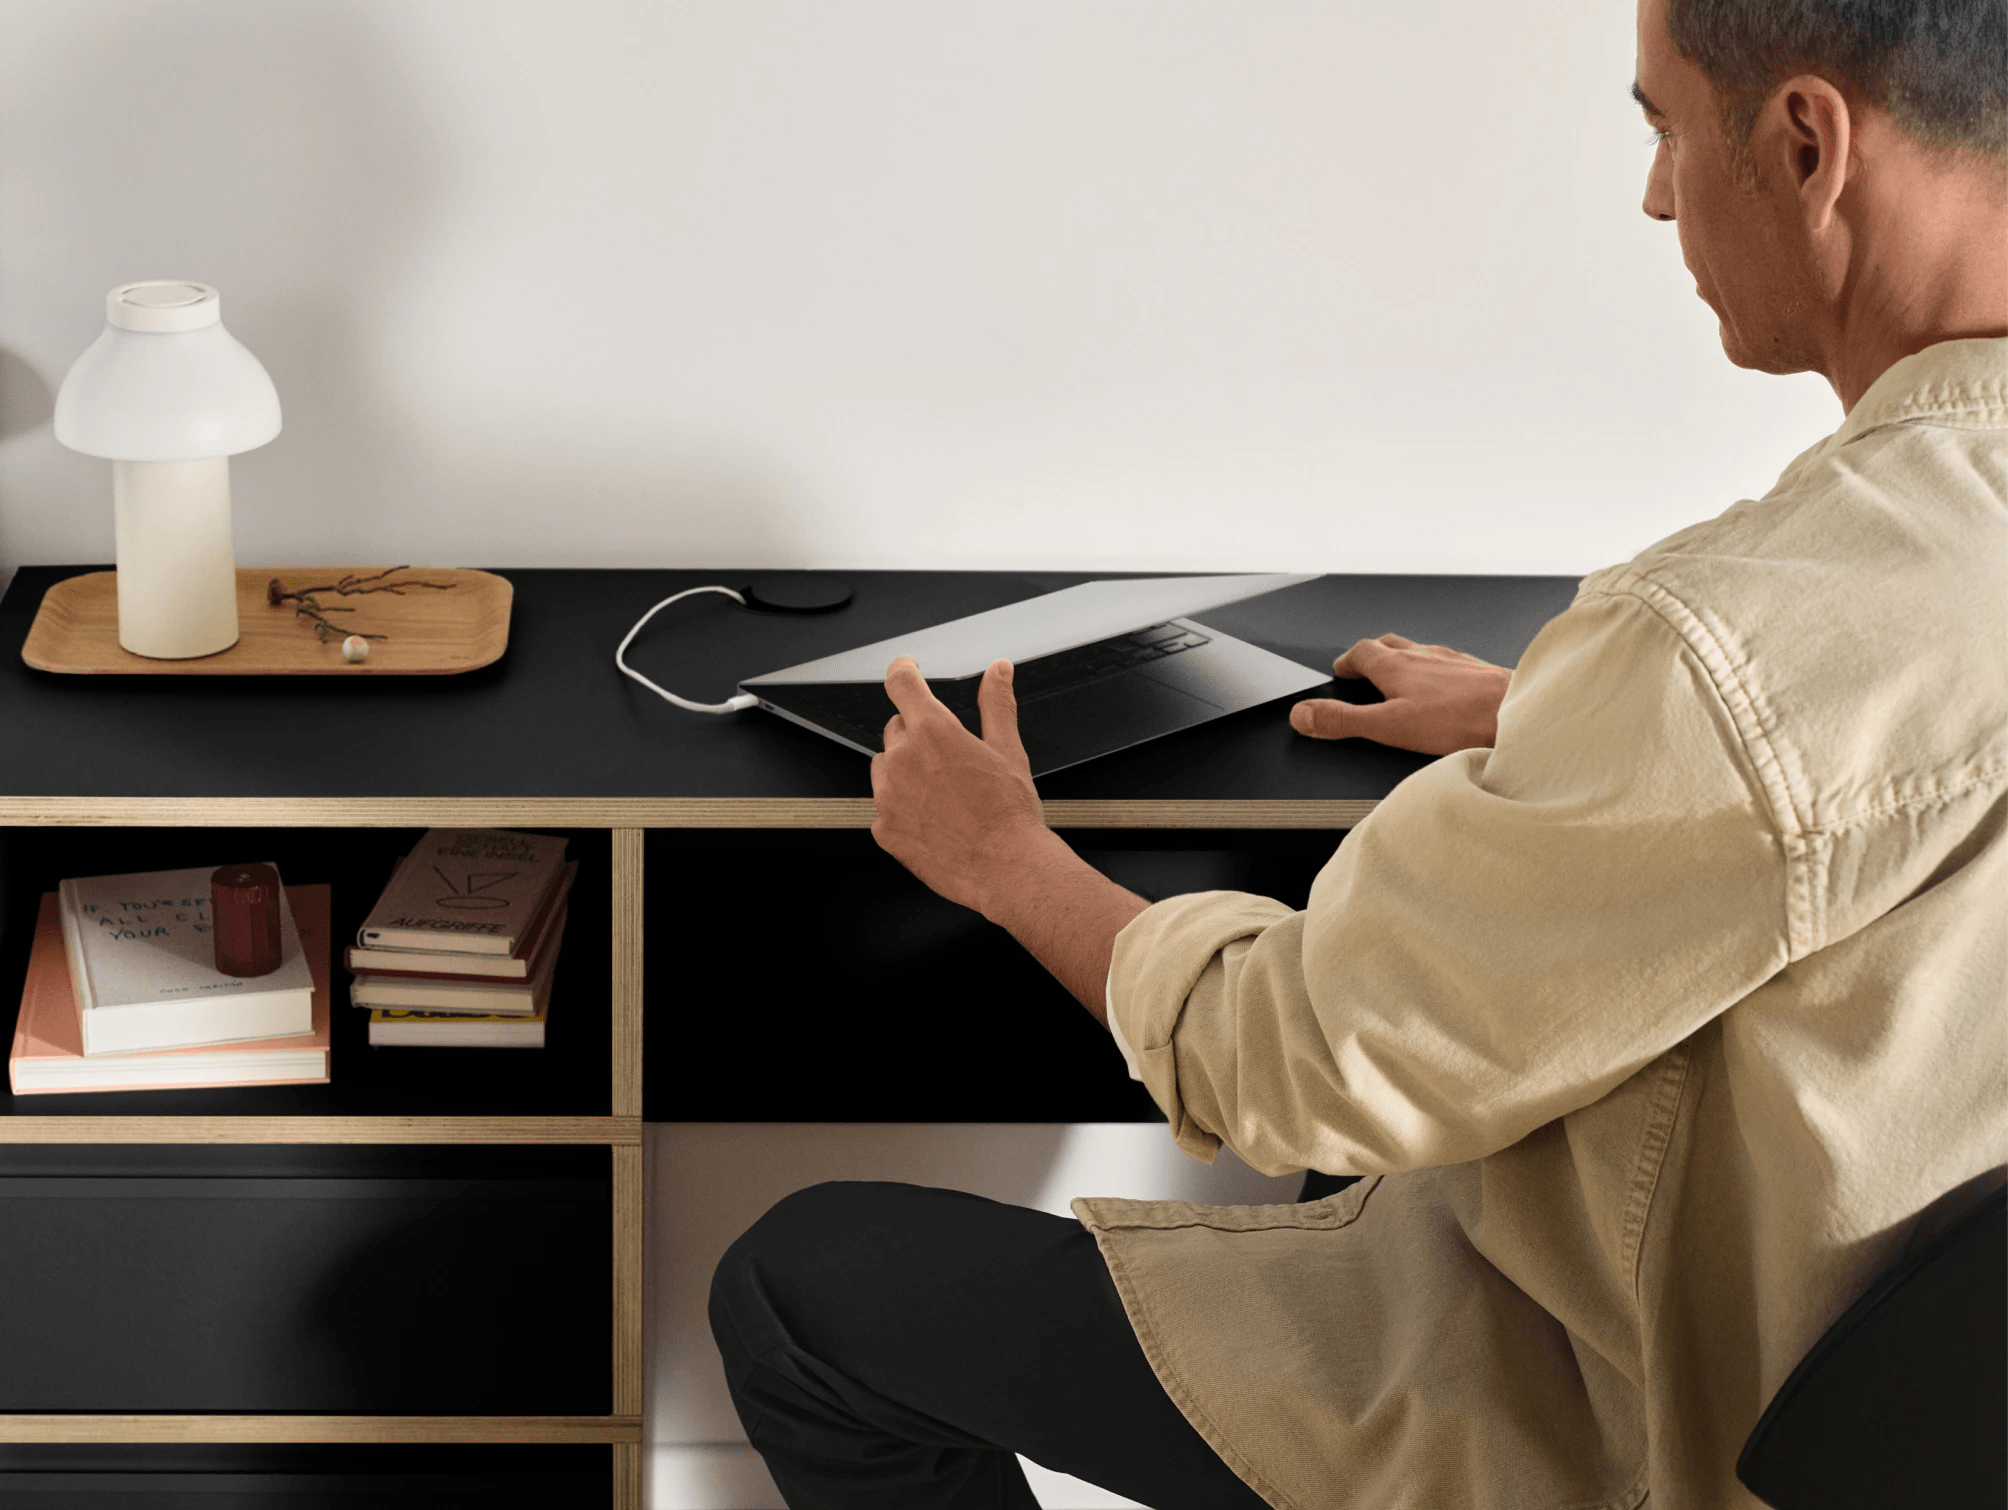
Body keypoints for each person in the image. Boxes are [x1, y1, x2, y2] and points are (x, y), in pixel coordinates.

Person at [710, 0, 2008, 1504]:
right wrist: (1571, 732)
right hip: (1907, 1417)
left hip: (1610, 1419)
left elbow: (1294, 1062)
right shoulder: (1791, 643)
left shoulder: (1718, 657)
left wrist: (1004, 857)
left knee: (791, 1296)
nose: (1654, 194)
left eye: (1659, 124)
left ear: (1803, 142)